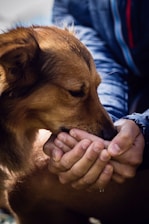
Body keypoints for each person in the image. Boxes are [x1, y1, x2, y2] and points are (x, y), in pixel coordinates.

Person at [43, 0, 149, 191]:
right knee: (40, 157)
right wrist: (108, 123)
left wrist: (145, 130)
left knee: (37, 178)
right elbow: (95, 62)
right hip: (129, 115)